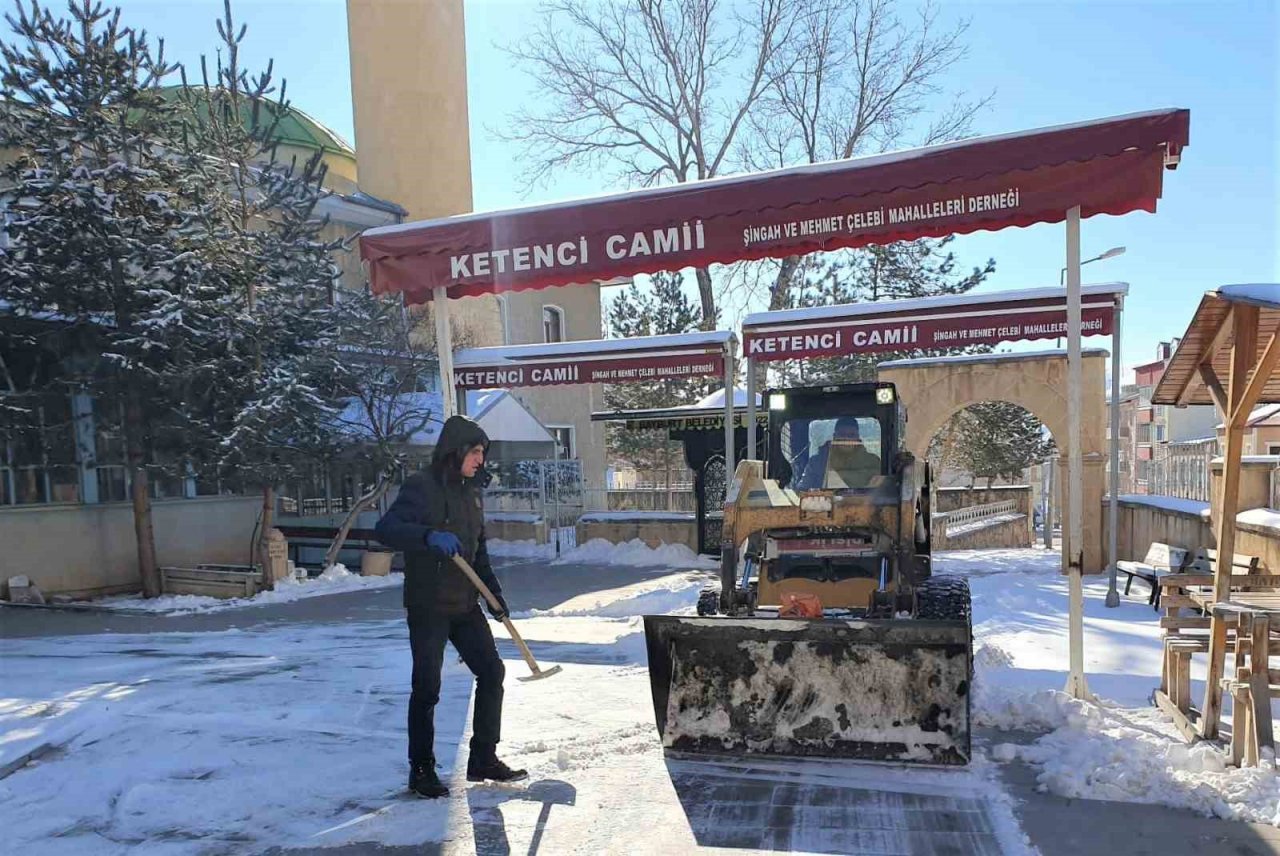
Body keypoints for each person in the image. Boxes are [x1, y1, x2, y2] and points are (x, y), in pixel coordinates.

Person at [375, 414, 527, 799]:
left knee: (492, 672)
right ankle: (421, 769)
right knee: (427, 687)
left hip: (465, 604)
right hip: (428, 605)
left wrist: (495, 598)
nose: (481, 460)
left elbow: (479, 554)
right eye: (475, 452)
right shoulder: (421, 488)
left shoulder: (471, 495)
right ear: (456, 450)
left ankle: (483, 758)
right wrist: (427, 536)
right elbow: (386, 529)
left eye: (483, 454)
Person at [796, 417, 882, 490]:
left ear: (858, 437)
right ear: (834, 436)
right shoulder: (818, 462)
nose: (846, 439)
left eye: (851, 435)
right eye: (842, 434)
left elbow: (882, 491)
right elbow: (803, 489)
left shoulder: (873, 462)